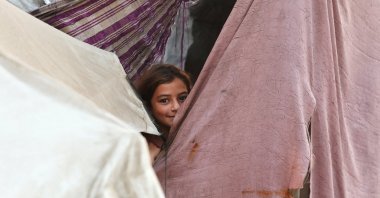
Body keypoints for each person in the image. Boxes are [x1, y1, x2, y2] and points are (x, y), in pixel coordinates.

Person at [135, 64, 192, 162]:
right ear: (148, 106)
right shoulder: (137, 147)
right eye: (164, 100)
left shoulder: (200, 134)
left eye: (182, 98)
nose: (176, 107)